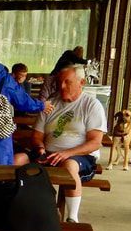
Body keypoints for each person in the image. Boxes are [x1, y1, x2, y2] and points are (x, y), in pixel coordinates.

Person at [14, 65, 105, 223]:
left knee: (69, 166)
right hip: (48, 154)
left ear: (81, 82)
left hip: (78, 156)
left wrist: (67, 153)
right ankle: (13, 207)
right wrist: (40, 148)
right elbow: (37, 135)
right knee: (17, 160)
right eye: (59, 82)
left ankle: (72, 218)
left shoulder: (91, 105)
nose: (61, 86)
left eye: (67, 82)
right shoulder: (50, 103)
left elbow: (95, 142)